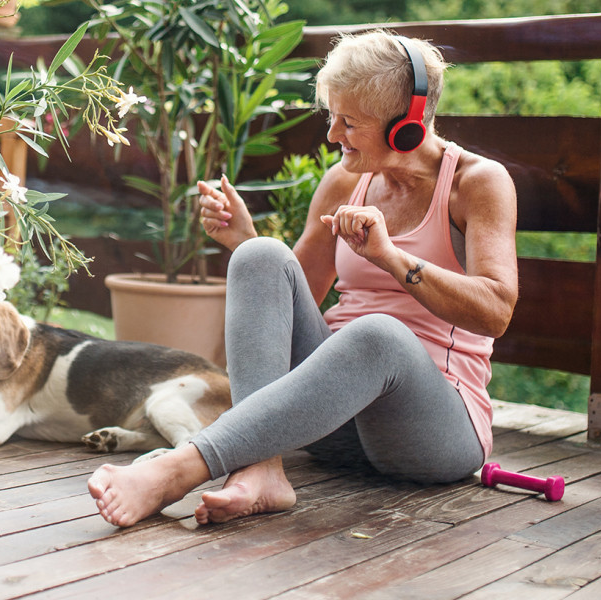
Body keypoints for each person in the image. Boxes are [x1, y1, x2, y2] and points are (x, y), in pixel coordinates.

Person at [87, 30, 518, 527]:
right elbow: (294, 299)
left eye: (350, 123)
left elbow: (497, 311)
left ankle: (180, 469)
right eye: (331, 116)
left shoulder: (476, 183)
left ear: (406, 127)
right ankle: (260, 467)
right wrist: (243, 240)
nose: (333, 135)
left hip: (432, 432)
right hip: (330, 420)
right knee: (261, 256)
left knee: (378, 334)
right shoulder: (344, 181)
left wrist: (392, 258)